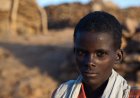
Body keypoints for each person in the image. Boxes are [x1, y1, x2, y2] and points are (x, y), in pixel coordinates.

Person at [52, 11, 140, 98]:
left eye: (100, 54)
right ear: (75, 53)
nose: (89, 62)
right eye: (81, 52)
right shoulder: (61, 93)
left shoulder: (133, 96)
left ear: (118, 56)